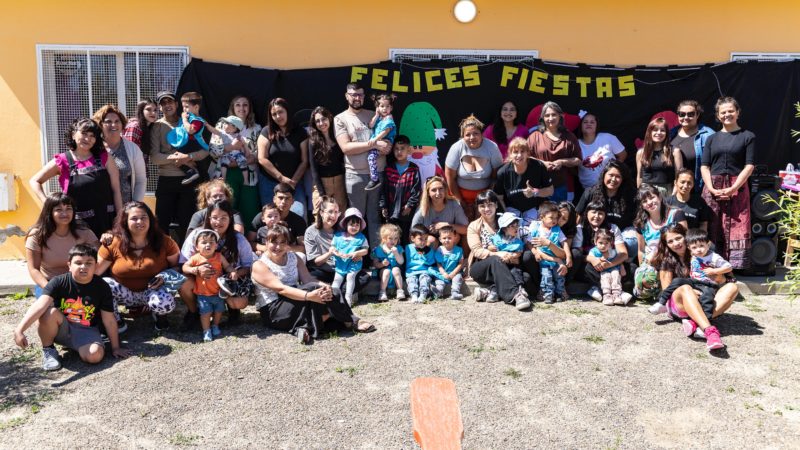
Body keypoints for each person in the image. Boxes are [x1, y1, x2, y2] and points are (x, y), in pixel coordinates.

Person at [252, 223, 375, 344]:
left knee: (330, 290)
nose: (278, 247)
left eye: (282, 242)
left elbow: (308, 279)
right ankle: (349, 321)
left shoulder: (294, 257)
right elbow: (281, 289)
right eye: (274, 242)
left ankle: (305, 328)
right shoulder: (259, 265)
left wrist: (328, 287)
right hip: (274, 308)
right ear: (266, 242)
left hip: (296, 299)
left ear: (287, 244)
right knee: (316, 296)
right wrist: (309, 296)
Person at [14, 244, 129, 371]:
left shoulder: (101, 286)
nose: (83, 267)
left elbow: (109, 319)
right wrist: (20, 330)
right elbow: (40, 305)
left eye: (89, 263)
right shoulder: (58, 282)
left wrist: (115, 347)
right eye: (78, 263)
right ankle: (49, 350)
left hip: (87, 331)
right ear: (69, 265)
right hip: (62, 328)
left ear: (96, 265)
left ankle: (77, 347)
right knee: (48, 312)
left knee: (95, 357)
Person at [96, 202, 185, 331]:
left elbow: (178, 266)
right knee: (103, 284)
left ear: (150, 220)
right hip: (124, 293)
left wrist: (164, 276)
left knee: (164, 302)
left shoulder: (165, 241)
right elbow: (96, 271)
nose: (140, 221)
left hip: (153, 291)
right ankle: (117, 321)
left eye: (144, 217)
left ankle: (160, 317)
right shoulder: (113, 242)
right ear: (125, 221)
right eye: (134, 218)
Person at [648, 223, 738, 351]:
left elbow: (725, 279)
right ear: (667, 245)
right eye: (670, 241)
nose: (676, 243)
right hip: (679, 303)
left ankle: (695, 322)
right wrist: (691, 291)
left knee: (732, 287)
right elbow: (668, 292)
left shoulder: (704, 253)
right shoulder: (668, 261)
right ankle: (709, 331)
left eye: (678, 238)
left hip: (704, 297)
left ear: (687, 237)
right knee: (686, 288)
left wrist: (717, 276)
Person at [29, 117, 123, 238]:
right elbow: (35, 181)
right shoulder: (63, 160)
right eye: (84, 133)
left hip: (107, 224)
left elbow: (116, 190)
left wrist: (120, 220)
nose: (87, 139)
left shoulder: (105, 157)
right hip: (78, 227)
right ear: (73, 134)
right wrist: (47, 203)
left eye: (92, 135)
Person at [181, 200, 255, 329]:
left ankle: (232, 311)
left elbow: (248, 266)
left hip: (226, 282)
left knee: (238, 302)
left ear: (230, 219)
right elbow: (183, 262)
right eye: (215, 217)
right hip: (200, 280)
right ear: (208, 218)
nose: (218, 222)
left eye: (223, 218)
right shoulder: (196, 235)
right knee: (183, 282)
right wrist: (197, 270)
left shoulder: (238, 239)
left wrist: (231, 274)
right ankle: (194, 313)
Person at [701, 96, 755, 269]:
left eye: (731, 111)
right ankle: (712, 265)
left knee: (738, 225)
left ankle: (733, 268)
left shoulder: (748, 136)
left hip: (737, 186)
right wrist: (710, 188)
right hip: (713, 186)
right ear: (718, 116)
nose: (727, 114)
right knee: (713, 225)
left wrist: (733, 188)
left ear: (738, 112)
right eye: (723, 112)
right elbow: (704, 166)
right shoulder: (712, 138)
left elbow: (749, 165)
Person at [335, 83, 391, 247]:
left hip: (378, 174)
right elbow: (346, 148)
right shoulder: (341, 119)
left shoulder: (375, 114)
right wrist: (374, 144)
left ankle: (376, 258)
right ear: (347, 96)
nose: (357, 98)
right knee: (355, 218)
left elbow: (388, 137)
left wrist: (387, 146)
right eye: (353, 94)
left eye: (360, 94)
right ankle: (355, 258)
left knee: (375, 217)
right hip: (355, 176)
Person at [150, 91, 207, 245]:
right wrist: (177, 158)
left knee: (187, 222)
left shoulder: (190, 121)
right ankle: (162, 257)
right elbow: (154, 157)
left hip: (189, 181)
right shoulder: (157, 126)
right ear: (160, 108)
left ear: (177, 104)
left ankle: (186, 259)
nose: (167, 105)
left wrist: (188, 157)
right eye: (163, 103)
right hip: (166, 181)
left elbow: (205, 150)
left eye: (170, 102)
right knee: (161, 223)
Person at [467, 190, 532, 310]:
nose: (487, 209)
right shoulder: (474, 226)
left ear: (496, 205)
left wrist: (514, 255)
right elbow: (477, 251)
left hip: (509, 264)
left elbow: (518, 241)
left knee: (526, 278)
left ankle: (490, 291)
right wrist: (498, 253)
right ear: (478, 208)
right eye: (482, 206)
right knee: (496, 259)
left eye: (490, 204)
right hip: (482, 266)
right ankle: (516, 296)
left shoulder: (507, 221)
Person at [25, 193, 98, 297]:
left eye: (68, 208)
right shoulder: (37, 235)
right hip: (49, 283)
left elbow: (101, 257)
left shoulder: (84, 232)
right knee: (51, 310)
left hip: (80, 282)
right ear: (49, 212)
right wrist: (50, 289)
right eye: (59, 210)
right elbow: (33, 269)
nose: (65, 213)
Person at [211, 95, 262, 231]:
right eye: (238, 105)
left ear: (250, 108)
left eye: (245, 105)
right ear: (232, 108)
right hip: (226, 174)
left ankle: (248, 245)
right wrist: (231, 148)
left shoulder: (256, 128)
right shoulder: (221, 126)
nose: (241, 108)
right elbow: (213, 150)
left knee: (249, 209)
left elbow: (261, 151)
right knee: (226, 209)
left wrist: (250, 158)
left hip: (248, 175)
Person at [633, 184, 688, 299]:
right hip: (651, 262)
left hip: (673, 258)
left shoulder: (676, 214)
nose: (649, 202)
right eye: (644, 201)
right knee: (643, 288)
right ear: (642, 206)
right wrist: (643, 269)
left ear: (660, 197)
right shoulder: (641, 223)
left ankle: (667, 292)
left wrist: (658, 253)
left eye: (652, 197)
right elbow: (641, 250)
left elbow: (685, 241)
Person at [182, 229, 239, 342]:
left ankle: (215, 325)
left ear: (216, 245)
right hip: (203, 294)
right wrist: (194, 270)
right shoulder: (196, 258)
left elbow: (227, 266)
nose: (208, 245)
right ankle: (206, 330)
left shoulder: (219, 256)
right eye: (204, 242)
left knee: (219, 311)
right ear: (197, 246)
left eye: (211, 242)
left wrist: (232, 271)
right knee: (205, 313)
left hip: (218, 293)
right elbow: (185, 267)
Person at [571, 201, 631, 304]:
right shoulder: (580, 229)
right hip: (593, 266)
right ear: (587, 213)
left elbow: (623, 253)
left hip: (611, 263)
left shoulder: (612, 228)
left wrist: (610, 264)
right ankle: (614, 292)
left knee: (631, 268)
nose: (597, 216)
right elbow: (579, 255)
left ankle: (600, 289)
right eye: (593, 212)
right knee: (585, 269)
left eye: (600, 213)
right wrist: (592, 259)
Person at [444, 115, 504, 220]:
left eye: (476, 133)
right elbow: (450, 178)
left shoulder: (492, 147)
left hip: (486, 198)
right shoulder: (456, 148)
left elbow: (496, 177)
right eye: (468, 135)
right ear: (463, 136)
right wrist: (461, 203)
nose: (472, 137)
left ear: (482, 134)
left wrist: (485, 201)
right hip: (460, 198)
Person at [257, 97, 308, 218]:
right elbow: (262, 158)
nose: (278, 116)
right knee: (272, 217)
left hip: (294, 183)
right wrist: (281, 178)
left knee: (299, 215)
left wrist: (292, 182)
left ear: (287, 112)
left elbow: (304, 161)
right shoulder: (266, 131)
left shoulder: (300, 132)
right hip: (269, 182)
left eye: (280, 112)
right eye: (274, 114)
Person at [576, 160, 638, 259]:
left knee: (632, 241)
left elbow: (636, 220)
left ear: (623, 179)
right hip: (596, 233)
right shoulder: (590, 192)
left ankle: (624, 261)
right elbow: (578, 217)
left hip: (621, 233)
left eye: (618, 176)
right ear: (604, 175)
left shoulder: (630, 196)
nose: (613, 179)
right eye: (611, 175)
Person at [527, 101, 581, 202]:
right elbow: (525, 157)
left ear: (560, 116)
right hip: (539, 187)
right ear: (542, 118)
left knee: (558, 216)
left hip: (560, 187)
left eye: (553, 115)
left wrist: (562, 162)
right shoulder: (535, 136)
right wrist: (542, 163)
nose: (550, 118)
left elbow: (578, 159)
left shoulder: (569, 136)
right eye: (547, 115)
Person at [93, 104, 147, 203]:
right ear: (100, 125)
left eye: (117, 121)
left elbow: (141, 180)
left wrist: (135, 204)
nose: (113, 125)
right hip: (100, 208)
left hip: (126, 208)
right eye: (108, 122)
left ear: (122, 124)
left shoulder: (133, 149)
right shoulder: (94, 149)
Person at [494, 137, 554, 225]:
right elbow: (499, 197)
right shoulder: (503, 172)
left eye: (522, 151)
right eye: (515, 152)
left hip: (534, 208)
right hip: (511, 209)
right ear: (510, 154)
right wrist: (506, 215)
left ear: (528, 153)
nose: (519, 155)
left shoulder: (538, 167)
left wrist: (535, 192)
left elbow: (550, 190)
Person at [167, 91, 219, 185]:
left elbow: (190, 130)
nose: (184, 109)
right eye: (183, 107)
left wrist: (184, 119)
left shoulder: (197, 120)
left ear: (196, 107)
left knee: (177, 156)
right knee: (176, 157)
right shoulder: (191, 118)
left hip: (194, 144)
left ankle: (195, 173)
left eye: (186, 107)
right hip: (188, 144)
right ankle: (192, 170)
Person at [380, 135, 421, 245]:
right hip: (391, 210)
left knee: (405, 237)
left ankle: (405, 260)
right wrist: (383, 206)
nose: (399, 152)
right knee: (392, 236)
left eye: (402, 149)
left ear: (409, 150)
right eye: (396, 149)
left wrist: (410, 205)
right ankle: (393, 260)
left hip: (406, 211)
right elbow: (383, 190)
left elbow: (416, 189)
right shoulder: (389, 169)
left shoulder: (413, 169)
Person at [304, 106, 347, 211]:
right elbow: (314, 170)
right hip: (322, 183)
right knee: (320, 216)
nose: (321, 123)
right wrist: (321, 193)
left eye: (323, 119)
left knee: (340, 214)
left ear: (329, 118)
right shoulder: (313, 141)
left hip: (339, 182)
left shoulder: (338, 137)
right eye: (317, 121)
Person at [528, 202, 569, 304]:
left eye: (556, 218)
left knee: (559, 277)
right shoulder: (536, 228)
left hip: (557, 259)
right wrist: (535, 252)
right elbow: (529, 242)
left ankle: (560, 293)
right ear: (542, 217)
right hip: (545, 260)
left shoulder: (557, 229)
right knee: (546, 277)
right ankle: (548, 295)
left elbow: (564, 242)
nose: (554, 220)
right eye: (551, 218)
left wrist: (568, 256)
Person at [670, 100, 715, 193]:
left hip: (697, 190)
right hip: (672, 190)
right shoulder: (670, 134)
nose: (686, 117)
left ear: (697, 115)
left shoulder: (708, 135)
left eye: (690, 114)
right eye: (682, 114)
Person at [411, 176, 469, 247]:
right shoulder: (422, 208)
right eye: (434, 190)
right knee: (431, 240)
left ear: (445, 190)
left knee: (456, 236)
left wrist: (446, 225)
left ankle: (454, 257)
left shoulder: (454, 204)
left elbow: (466, 229)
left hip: (448, 240)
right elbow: (412, 234)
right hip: (428, 244)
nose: (438, 193)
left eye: (441, 189)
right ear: (428, 193)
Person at [576, 111, 626, 191]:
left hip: (611, 187)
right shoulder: (575, 144)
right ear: (580, 126)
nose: (589, 124)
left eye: (592, 122)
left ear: (597, 125)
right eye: (585, 122)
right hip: (588, 189)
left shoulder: (608, 138)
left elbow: (623, 155)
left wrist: (614, 171)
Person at [248, 183, 307, 249]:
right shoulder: (262, 216)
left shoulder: (298, 221)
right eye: (280, 198)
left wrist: (281, 249)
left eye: (287, 198)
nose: (283, 202)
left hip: (288, 254)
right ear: (274, 199)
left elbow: (303, 248)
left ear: (292, 201)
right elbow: (249, 242)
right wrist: (266, 249)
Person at [331, 207, 369, 306]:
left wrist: (357, 253)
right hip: (340, 263)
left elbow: (365, 250)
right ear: (346, 224)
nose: (354, 227)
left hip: (353, 263)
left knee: (350, 277)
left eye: (357, 225)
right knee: (337, 279)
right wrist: (336, 253)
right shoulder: (338, 236)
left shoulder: (361, 238)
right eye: (352, 224)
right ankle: (334, 298)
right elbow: (333, 248)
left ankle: (348, 297)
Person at [636, 117, 682, 195]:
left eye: (662, 130)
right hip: (646, 192)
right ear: (649, 132)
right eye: (655, 130)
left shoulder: (675, 151)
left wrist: (674, 194)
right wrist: (640, 194)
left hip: (667, 191)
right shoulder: (641, 152)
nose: (659, 133)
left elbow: (679, 176)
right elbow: (639, 177)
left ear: (667, 133)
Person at [365, 93, 397, 191]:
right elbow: (370, 125)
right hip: (378, 143)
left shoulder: (389, 118)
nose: (385, 109)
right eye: (382, 106)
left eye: (387, 106)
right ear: (377, 107)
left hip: (385, 142)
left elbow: (385, 131)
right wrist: (376, 115)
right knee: (371, 156)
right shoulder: (379, 118)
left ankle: (375, 179)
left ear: (391, 108)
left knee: (371, 156)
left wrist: (375, 140)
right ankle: (375, 178)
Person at [490, 212, 526, 291]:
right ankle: (494, 291)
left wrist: (512, 256)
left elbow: (519, 252)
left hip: (512, 262)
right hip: (500, 263)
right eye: (512, 226)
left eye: (517, 225)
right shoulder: (497, 239)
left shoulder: (517, 241)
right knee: (497, 274)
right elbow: (490, 248)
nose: (516, 228)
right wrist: (491, 248)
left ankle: (520, 288)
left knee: (516, 272)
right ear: (504, 228)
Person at [589, 228, 624, 306]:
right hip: (602, 271)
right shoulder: (594, 251)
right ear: (595, 242)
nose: (603, 246)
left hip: (613, 269)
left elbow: (618, 259)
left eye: (606, 243)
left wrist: (622, 266)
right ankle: (607, 295)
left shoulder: (612, 251)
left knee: (616, 275)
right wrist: (599, 260)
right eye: (600, 243)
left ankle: (616, 294)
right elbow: (590, 258)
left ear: (610, 243)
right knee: (605, 277)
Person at [212, 115, 251, 184]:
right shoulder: (222, 134)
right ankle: (223, 178)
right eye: (224, 123)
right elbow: (216, 148)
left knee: (243, 162)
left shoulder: (239, 136)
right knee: (223, 162)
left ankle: (246, 180)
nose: (223, 124)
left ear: (234, 128)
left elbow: (245, 144)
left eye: (226, 123)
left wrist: (247, 152)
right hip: (226, 155)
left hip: (237, 155)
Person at [372, 223, 406, 302]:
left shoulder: (398, 248)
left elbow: (401, 262)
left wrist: (396, 253)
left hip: (396, 273)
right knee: (386, 271)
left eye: (396, 238)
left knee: (396, 269)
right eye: (390, 238)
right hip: (383, 271)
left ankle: (400, 291)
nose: (393, 241)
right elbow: (375, 264)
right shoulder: (378, 250)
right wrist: (382, 264)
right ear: (384, 239)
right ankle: (382, 292)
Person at [430, 225, 464, 300]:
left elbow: (460, 263)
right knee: (439, 280)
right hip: (443, 272)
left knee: (457, 278)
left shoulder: (459, 250)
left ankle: (455, 292)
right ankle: (438, 292)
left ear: (454, 238)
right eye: (444, 238)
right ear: (440, 239)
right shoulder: (439, 250)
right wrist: (444, 273)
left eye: (449, 238)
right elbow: (438, 264)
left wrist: (454, 273)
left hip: (454, 271)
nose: (447, 240)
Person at [405, 225, 435, 303]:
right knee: (411, 281)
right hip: (411, 271)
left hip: (424, 271)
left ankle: (423, 295)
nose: (423, 242)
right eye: (420, 239)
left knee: (424, 279)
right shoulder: (408, 248)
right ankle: (414, 295)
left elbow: (431, 263)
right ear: (412, 238)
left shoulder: (429, 250)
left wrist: (425, 254)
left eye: (425, 239)